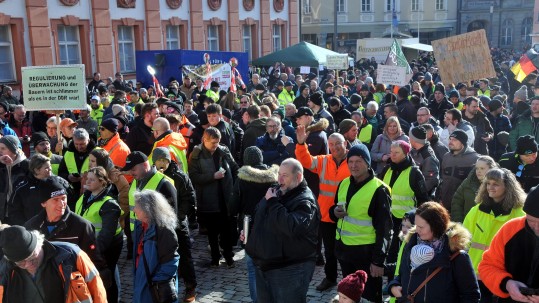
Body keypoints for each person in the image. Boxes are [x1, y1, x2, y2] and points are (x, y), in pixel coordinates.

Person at [246, 158, 320, 303]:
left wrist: (273, 203)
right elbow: (260, 215)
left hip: (289, 269)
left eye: (284, 175)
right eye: (279, 173)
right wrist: (251, 233)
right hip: (265, 265)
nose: (279, 178)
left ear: (298, 177)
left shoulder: (305, 200)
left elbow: (291, 227)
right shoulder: (278, 190)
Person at [329, 144, 393, 303]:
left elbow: (385, 229)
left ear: (368, 163)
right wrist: (334, 213)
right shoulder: (344, 183)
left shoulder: (379, 190)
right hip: (344, 252)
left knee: (369, 297)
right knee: (349, 297)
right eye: (350, 161)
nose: (353, 165)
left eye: (358, 161)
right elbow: (335, 208)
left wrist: (378, 261)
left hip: (366, 254)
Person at [388, 202, 480, 303]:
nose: (417, 230)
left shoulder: (457, 256)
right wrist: (393, 285)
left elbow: (471, 295)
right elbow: (402, 275)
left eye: (421, 227)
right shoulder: (411, 244)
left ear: (436, 225)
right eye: (416, 225)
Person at [296, 131, 351, 292]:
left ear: (345, 144)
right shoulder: (324, 161)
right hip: (326, 214)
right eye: (331, 144)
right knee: (329, 250)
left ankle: (350, 281)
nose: (334, 147)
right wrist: (300, 144)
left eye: (338, 144)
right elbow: (305, 160)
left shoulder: (354, 160)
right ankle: (331, 278)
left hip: (348, 214)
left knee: (348, 250)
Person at [463, 168, 526, 303]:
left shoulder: (520, 214)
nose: (490, 187)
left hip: (504, 277)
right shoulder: (476, 210)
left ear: (507, 187)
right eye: (488, 183)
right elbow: (462, 241)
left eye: (495, 184)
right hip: (475, 274)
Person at [0, 225, 107, 302]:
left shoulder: (72, 255)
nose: (28, 265)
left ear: (39, 243)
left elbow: (97, 291)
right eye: (21, 263)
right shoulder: (5, 270)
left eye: (32, 257)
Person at [231, 146, 279, 303]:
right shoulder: (274, 178)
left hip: (248, 226)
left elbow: (233, 206)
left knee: (252, 269)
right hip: (271, 226)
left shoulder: (242, 179)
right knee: (270, 268)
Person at [478, 185, 539, 303]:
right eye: (531, 220)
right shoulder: (510, 229)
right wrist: (507, 283)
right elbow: (487, 266)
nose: (536, 227)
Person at [152, 147, 198, 302]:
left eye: (164, 160)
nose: (162, 163)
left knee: (185, 255)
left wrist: (178, 217)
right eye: (159, 160)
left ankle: (190, 287)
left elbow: (189, 197)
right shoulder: (152, 177)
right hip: (159, 224)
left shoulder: (179, 176)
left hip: (178, 223)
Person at [188, 127, 239, 267]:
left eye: (217, 143)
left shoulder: (223, 151)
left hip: (225, 198)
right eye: (213, 143)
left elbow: (234, 167)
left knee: (227, 231)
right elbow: (193, 176)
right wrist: (212, 177)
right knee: (212, 232)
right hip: (208, 200)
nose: (215, 146)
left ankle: (229, 257)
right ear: (205, 140)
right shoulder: (196, 154)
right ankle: (215, 257)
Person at [379, 140, 429, 272]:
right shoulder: (387, 169)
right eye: (391, 152)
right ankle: (389, 277)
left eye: (396, 152)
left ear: (406, 153)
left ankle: (397, 279)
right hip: (387, 218)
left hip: (405, 221)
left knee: (400, 251)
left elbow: (423, 199)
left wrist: (418, 221)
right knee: (388, 249)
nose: (392, 155)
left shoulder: (414, 173)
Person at [75, 166, 123, 303]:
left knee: (106, 278)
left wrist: (93, 253)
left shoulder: (109, 204)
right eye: (87, 179)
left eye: (92, 180)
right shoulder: (84, 197)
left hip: (105, 248)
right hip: (88, 246)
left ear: (102, 182)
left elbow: (106, 235)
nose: (87, 182)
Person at [132, 190, 180, 303]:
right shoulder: (140, 226)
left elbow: (171, 261)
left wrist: (156, 281)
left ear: (147, 209)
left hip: (153, 285)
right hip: (143, 280)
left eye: (137, 207)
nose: (134, 209)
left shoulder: (164, 230)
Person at [8, 154, 73, 225]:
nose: (50, 169)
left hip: (59, 227)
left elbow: (72, 202)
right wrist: (25, 227)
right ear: (37, 170)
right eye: (46, 168)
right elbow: (14, 211)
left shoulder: (61, 183)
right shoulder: (22, 187)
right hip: (32, 230)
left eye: (50, 166)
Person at [451, 156, 499, 223]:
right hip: (468, 224)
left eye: (482, 168)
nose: (478, 171)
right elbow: (456, 201)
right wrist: (459, 222)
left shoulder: (499, 185)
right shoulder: (467, 182)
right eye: (477, 168)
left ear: (491, 169)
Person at [440, 129, 479, 212]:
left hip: (463, 205)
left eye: (454, 140)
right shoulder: (446, 156)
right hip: (445, 203)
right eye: (450, 139)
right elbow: (442, 179)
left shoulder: (475, 159)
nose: (451, 142)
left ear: (462, 143)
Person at [58, 128, 96, 198]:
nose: (79, 147)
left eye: (82, 144)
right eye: (76, 144)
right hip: (73, 192)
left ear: (88, 140)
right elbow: (61, 173)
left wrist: (85, 177)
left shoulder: (97, 152)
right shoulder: (68, 154)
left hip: (92, 192)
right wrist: (68, 177)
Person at [0, 135, 29, 220]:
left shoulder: (26, 165)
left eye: (3, 148)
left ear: (13, 149)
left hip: (21, 212)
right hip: (4, 212)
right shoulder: (1, 164)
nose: (0, 151)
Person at [409, 126, 440, 197]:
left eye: (410, 136)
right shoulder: (413, 151)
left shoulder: (428, 157)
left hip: (421, 198)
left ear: (414, 140)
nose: (409, 138)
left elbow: (432, 180)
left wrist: (417, 193)